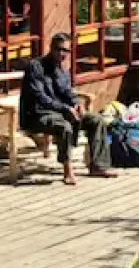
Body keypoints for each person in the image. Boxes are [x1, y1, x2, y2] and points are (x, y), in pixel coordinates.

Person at [19, 33, 117, 185]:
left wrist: (76, 104)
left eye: (65, 50)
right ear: (50, 48)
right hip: (37, 114)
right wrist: (65, 109)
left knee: (96, 120)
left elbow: (67, 92)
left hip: (59, 112)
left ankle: (98, 166)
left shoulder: (62, 70)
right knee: (64, 126)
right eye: (58, 49)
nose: (61, 53)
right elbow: (40, 97)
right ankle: (67, 169)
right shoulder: (36, 66)